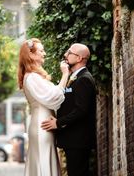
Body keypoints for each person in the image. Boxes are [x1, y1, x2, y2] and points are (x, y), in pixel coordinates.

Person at [41, 43, 97, 176]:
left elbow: (81, 110)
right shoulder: (75, 77)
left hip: (78, 140)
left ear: (79, 58)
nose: (65, 55)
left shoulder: (84, 79)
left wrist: (58, 122)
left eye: (69, 52)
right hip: (72, 139)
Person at [18, 37, 70, 176]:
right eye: (41, 50)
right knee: (43, 160)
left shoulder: (33, 76)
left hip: (43, 121)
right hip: (43, 124)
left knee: (45, 159)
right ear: (31, 55)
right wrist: (65, 74)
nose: (44, 53)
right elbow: (55, 97)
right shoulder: (32, 77)